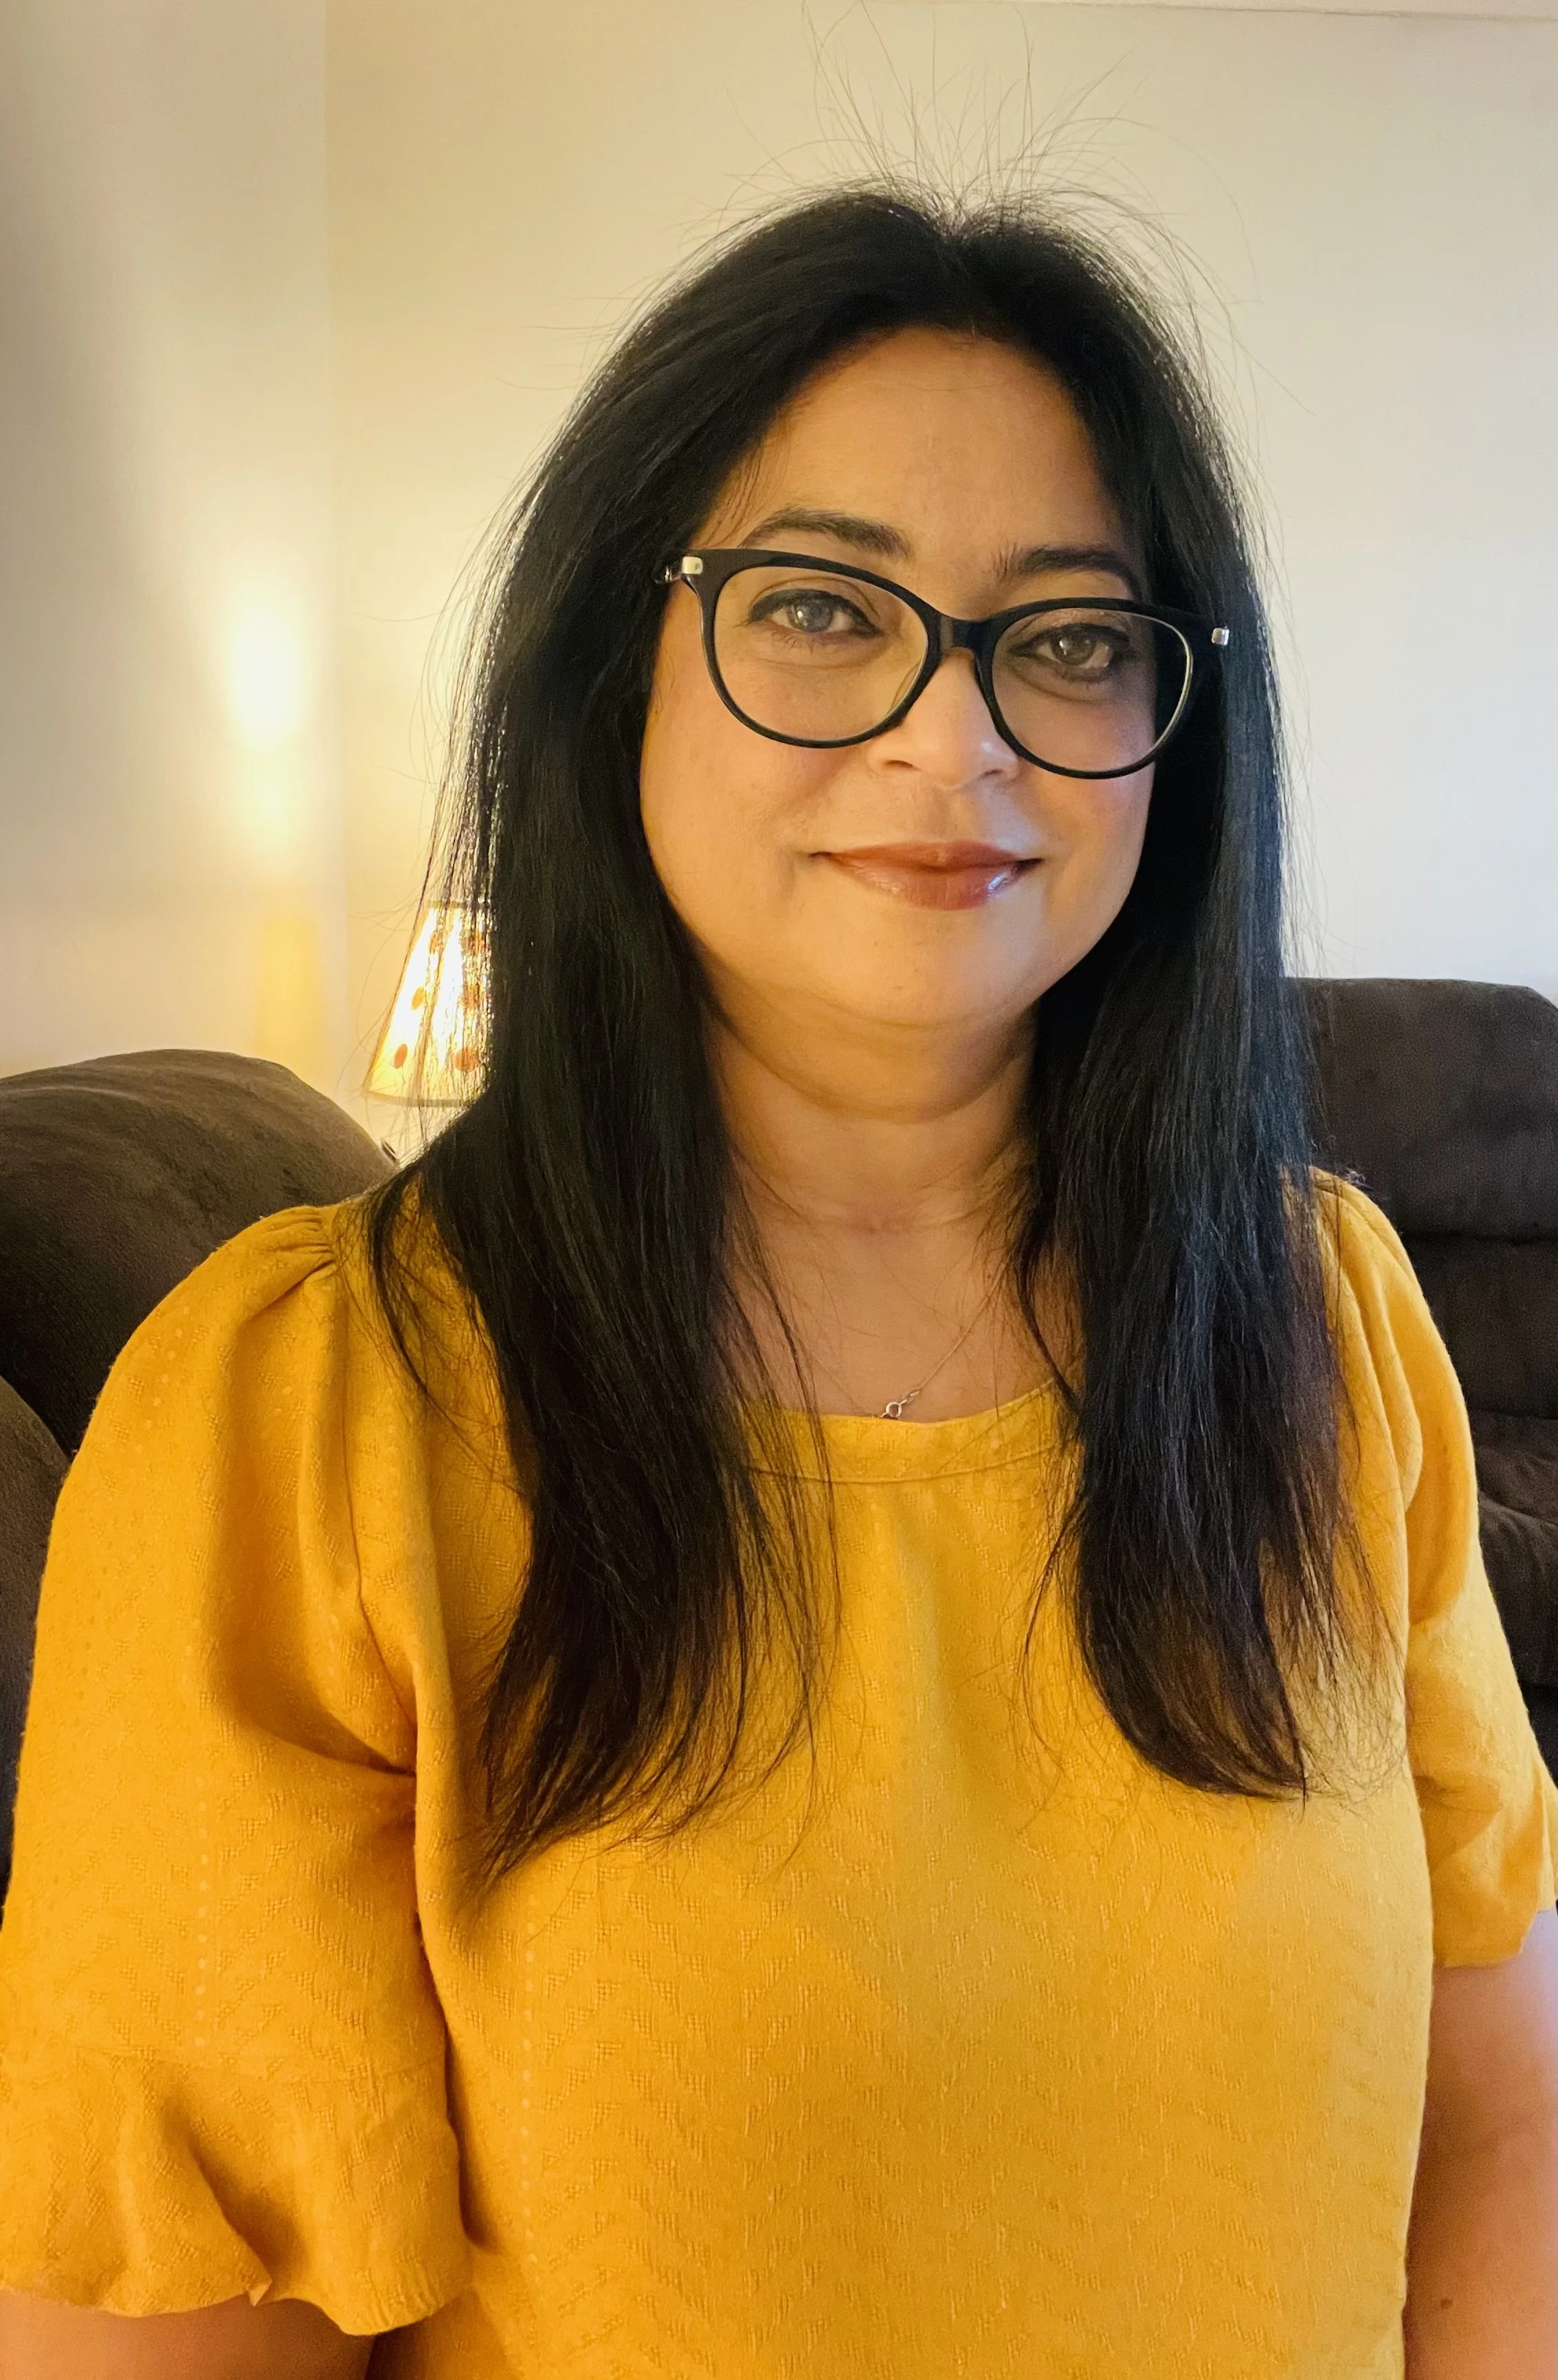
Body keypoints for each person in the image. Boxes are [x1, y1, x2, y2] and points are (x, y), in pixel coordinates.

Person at [0, 186, 1553, 2380]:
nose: (959, 740)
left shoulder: (1328, 1320)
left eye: (1075, 636)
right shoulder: (300, 1419)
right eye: (823, 608)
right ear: (611, 662)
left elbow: (1497, 2102)